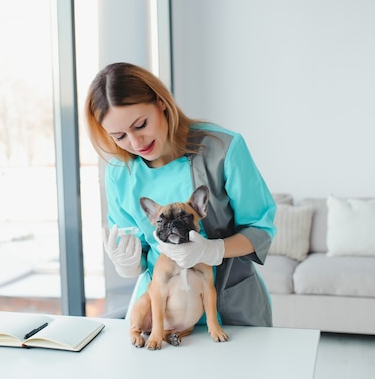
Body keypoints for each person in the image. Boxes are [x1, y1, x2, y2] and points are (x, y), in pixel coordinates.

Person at [84, 62, 277, 327]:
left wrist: (214, 250)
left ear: (161, 102)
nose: (136, 143)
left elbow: (260, 228)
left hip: (230, 310)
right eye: (120, 136)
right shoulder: (120, 173)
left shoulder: (223, 148)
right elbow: (136, 248)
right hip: (161, 315)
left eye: (140, 125)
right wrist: (127, 264)